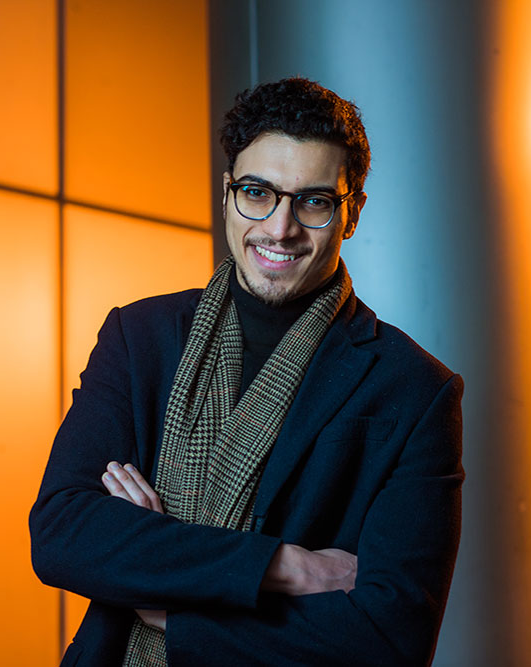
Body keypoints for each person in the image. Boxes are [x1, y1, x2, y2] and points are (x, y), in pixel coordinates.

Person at [30, 77, 463, 666]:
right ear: (228, 191)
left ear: (352, 212)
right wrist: (283, 566)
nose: (280, 228)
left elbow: (390, 641)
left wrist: (166, 598)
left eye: (313, 201)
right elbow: (62, 534)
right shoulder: (140, 338)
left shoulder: (414, 390)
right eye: (258, 192)